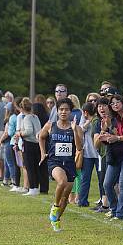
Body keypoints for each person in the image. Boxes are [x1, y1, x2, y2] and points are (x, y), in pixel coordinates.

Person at [39, 98, 83, 232]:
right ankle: (55, 207)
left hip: (70, 163)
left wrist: (75, 131)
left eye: (66, 109)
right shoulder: (50, 125)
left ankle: (56, 219)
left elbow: (80, 147)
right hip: (55, 162)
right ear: (57, 111)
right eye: (61, 109)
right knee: (62, 181)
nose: (64, 112)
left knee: (66, 198)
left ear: (71, 111)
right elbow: (41, 137)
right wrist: (43, 153)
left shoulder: (77, 128)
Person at [18, 98, 42, 195]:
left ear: (22, 108)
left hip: (29, 144)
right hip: (37, 144)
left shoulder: (27, 118)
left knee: (29, 166)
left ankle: (32, 188)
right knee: (36, 167)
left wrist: (19, 133)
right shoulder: (35, 117)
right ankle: (36, 187)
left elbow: (28, 131)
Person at [77, 102, 99, 207]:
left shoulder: (97, 120)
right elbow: (80, 129)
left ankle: (102, 201)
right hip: (88, 154)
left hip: (97, 154)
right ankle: (82, 201)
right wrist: (88, 121)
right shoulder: (85, 120)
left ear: (85, 112)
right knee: (85, 179)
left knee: (99, 179)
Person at [0, 99, 20, 189]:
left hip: (9, 141)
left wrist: (0, 139)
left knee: (10, 163)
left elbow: (8, 132)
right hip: (12, 141)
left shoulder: (11, 118)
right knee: (8, 162)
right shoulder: (16, 116)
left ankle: (13, 181)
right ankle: (6, 180)